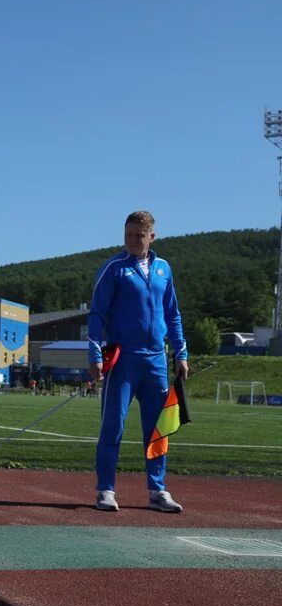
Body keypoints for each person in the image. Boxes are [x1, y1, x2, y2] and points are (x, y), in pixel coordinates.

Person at [87, 210, 189, 514]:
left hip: (156, 361)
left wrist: (181, 353)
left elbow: (173, 314)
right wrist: (95, 354)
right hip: (123, 360)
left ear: (151, 237)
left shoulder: (164, 270)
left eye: (139, 235)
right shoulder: (114, 268)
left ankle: (157, 491)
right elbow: (96, 314)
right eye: (128, 235)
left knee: (158, 430)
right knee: (112, 426)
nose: (132, 240)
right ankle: (105, 489)